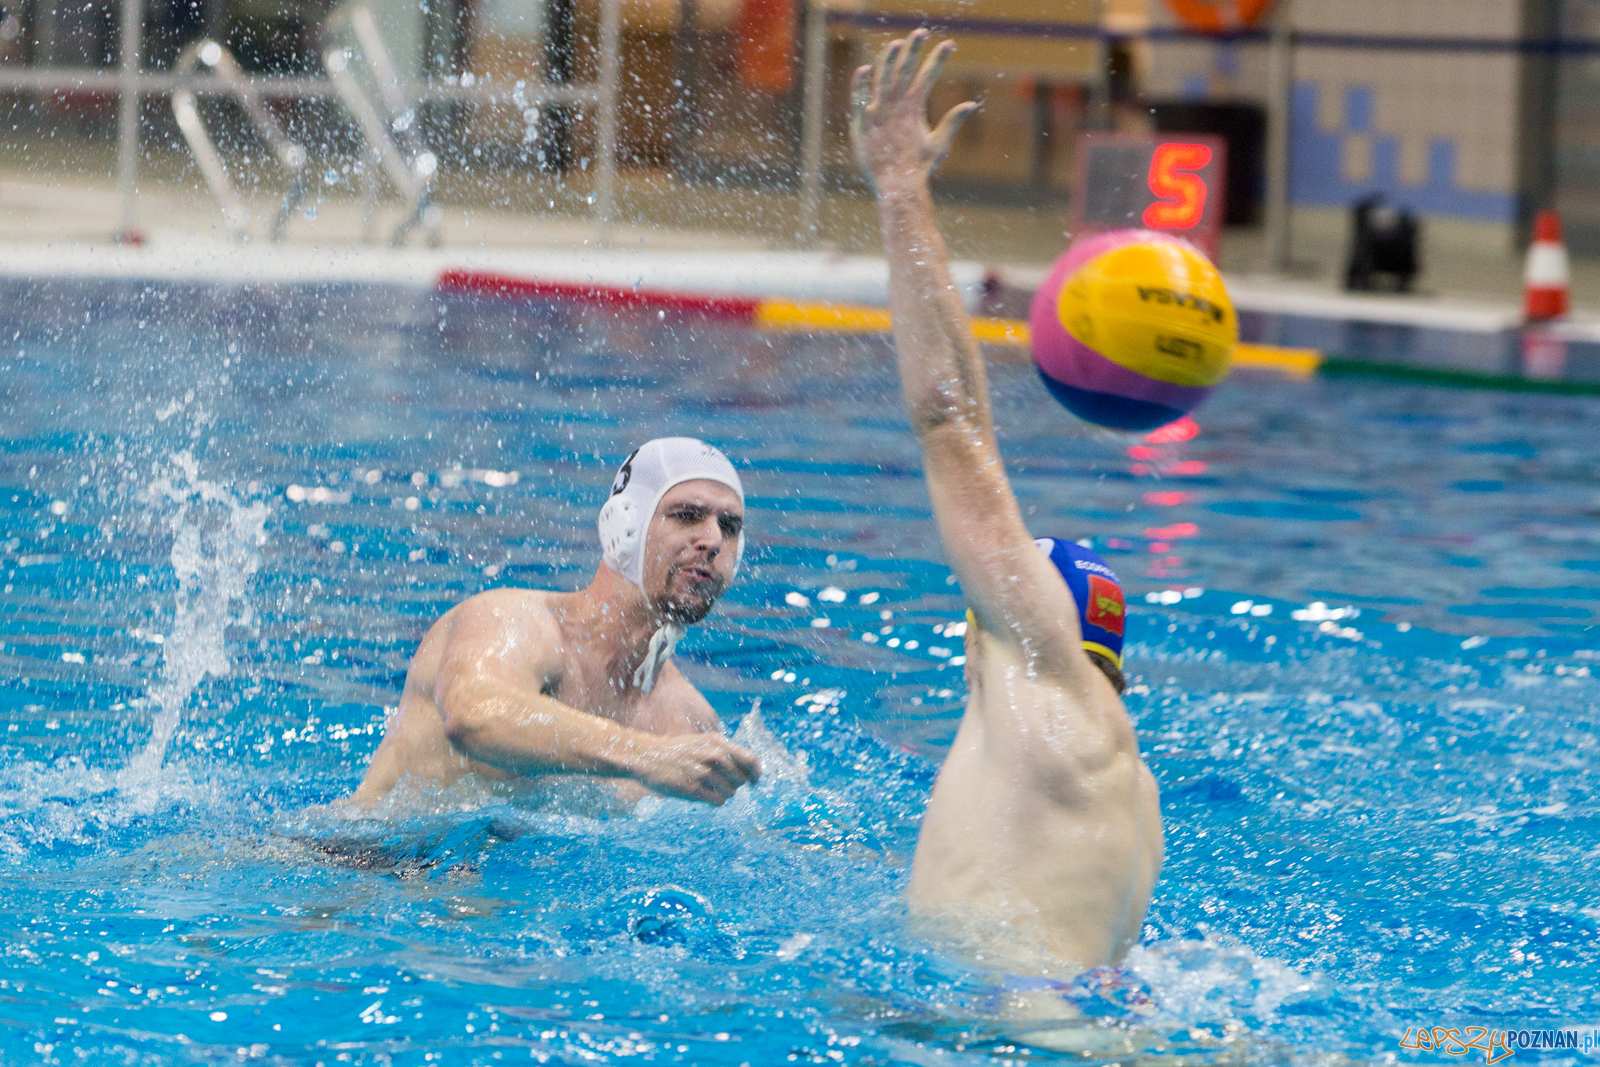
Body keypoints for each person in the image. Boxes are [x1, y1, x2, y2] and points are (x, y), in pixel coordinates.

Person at [851, 32, 1164, 978]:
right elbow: (976, 440)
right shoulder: (1132, 788)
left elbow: (949, 426)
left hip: (994, 1025)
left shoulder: (1032, 668)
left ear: (1028, 608)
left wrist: (902, 191)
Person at [349, 437, 762, 809]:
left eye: (730, 527)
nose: (713, 541)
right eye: (687, 515)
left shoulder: (688, 723)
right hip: (368, 868)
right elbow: (474, 715)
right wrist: (647, 756)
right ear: (626, 525)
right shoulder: (513, 622)